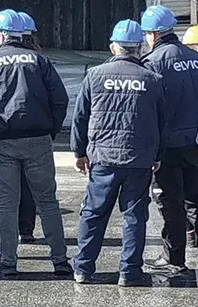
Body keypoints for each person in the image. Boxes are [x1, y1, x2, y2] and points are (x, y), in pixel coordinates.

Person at [0, 9, 70, 279]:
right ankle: (60, 261)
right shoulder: (39, 60)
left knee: (8, 204)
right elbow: (60, 100)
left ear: (1, 34)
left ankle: (8, 263)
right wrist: (50, 132)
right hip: (38, 140)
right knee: (48, 202)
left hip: (3, 143)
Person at [69, 19, 165, 286]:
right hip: (139, 159)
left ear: (114, 47)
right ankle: (129, 272)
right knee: (134, 216)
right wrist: (157, 155)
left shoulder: (95, 75)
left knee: (94, 212)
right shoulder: (152, 79)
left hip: (103, 157)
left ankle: (83, 268)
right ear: (139, 48)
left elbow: (80, 117)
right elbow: (161, 122)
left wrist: (79, 152)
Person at [138, 5, 198, 279]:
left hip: (168, 145)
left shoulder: (152, 63)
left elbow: (149, 108)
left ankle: (173, 257)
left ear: (152, 34)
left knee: (170, 202)